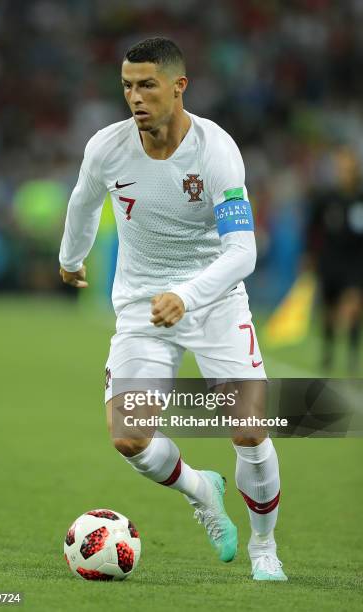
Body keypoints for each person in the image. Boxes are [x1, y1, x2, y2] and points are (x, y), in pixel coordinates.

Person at [59, 37, 287, 581]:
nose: (135, 98)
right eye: (127, 86)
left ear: (178, 87)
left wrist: (186, 295)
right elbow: (84, 202)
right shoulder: (107, 148)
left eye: (147, 85)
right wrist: (70, 259)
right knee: (129, 437)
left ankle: (264, 548)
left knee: (250, 431)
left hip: (214, 304)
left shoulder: (216, 152)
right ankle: (200, 488)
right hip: (141, 306)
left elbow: (243, 252)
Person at [307, 146, 363, 373]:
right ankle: (328, 355)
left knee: (353, 310)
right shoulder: (326, 198)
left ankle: (351, 360)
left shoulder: (360, 197)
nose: (343, 171)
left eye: (347, 166)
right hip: (329, 261)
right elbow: (312, 227)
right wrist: (308, 254)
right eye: (340, 166)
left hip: (355, 263)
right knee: (329, 313)